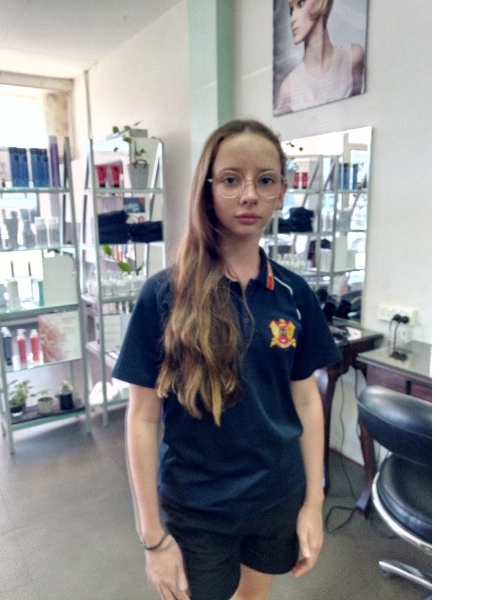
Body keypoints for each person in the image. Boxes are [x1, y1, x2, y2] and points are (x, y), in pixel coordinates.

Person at [112, 119, 341, 600]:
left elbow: (306, 401)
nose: (249, 195)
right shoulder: (164, 295)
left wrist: (313, 502)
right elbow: (143, 418)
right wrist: (152, 535)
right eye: (232, 179)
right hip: (197, 508)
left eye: (265, 180)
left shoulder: (294, 294)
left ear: (281, 192)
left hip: (276, 496)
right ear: (208, 188)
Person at [274, 0, 365, 115]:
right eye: (291, 11)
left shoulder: (354, 57)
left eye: (301, 4)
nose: (292, 19)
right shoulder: (288, 89)